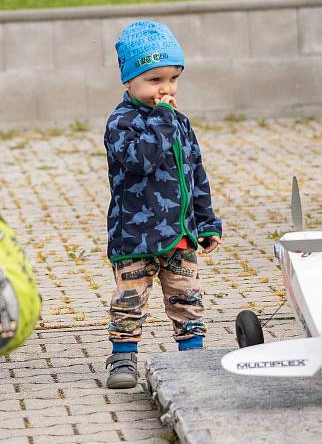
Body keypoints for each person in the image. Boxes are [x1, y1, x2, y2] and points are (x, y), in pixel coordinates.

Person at [103, 20, 223, 389]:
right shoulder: (122, 123)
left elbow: (195, 174)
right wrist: (162, 119)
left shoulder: (179, 123)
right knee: (130, 300)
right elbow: (141, 159)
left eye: (172, 78)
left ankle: (194, 355)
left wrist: (207, 222)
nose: (165, 89)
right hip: (135, 237)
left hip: (180, 232)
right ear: (129, 81)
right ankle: (123, 359)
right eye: (154, 80)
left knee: (186, 297)